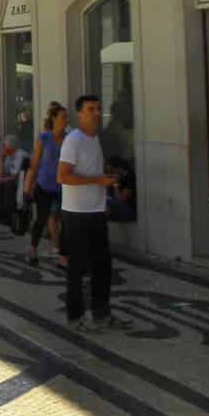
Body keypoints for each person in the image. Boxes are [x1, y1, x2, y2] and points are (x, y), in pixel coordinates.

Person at [59, 94, 132, 332]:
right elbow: (63, 176)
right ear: (80, 114)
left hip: (96, 211)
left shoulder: (95, 140)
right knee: (77, 267)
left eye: (99, 108)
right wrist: (97, 180)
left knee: (102, 266)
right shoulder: (74, 140)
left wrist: (107, 183)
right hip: (76, 213)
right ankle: (75, 317)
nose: (97, 113)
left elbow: (92, 174)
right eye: (91, 109)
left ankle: (101, 313)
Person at [24, 103, 68, 267]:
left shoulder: (69, 139)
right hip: (44, 186)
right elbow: (34, 164)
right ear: (54, 118)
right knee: (41, 219)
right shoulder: (44, 138)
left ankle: (63, 256)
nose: (66, 120)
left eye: (67, 117)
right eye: (63, 117)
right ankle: (32, 249)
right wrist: (28, 187)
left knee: (66, 222)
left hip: (63, 187)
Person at [0, 134, 29, 225]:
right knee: (1, 184)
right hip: (16, 180)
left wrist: (1, 180)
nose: (3, 148)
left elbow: (15, 176)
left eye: (4, 146)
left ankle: (9, 217)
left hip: (24, 181)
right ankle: (1, 214)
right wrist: (1, 160)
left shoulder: (20, 154)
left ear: (11, 146)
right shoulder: (9, 156)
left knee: (8, 185)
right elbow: (1, 175)